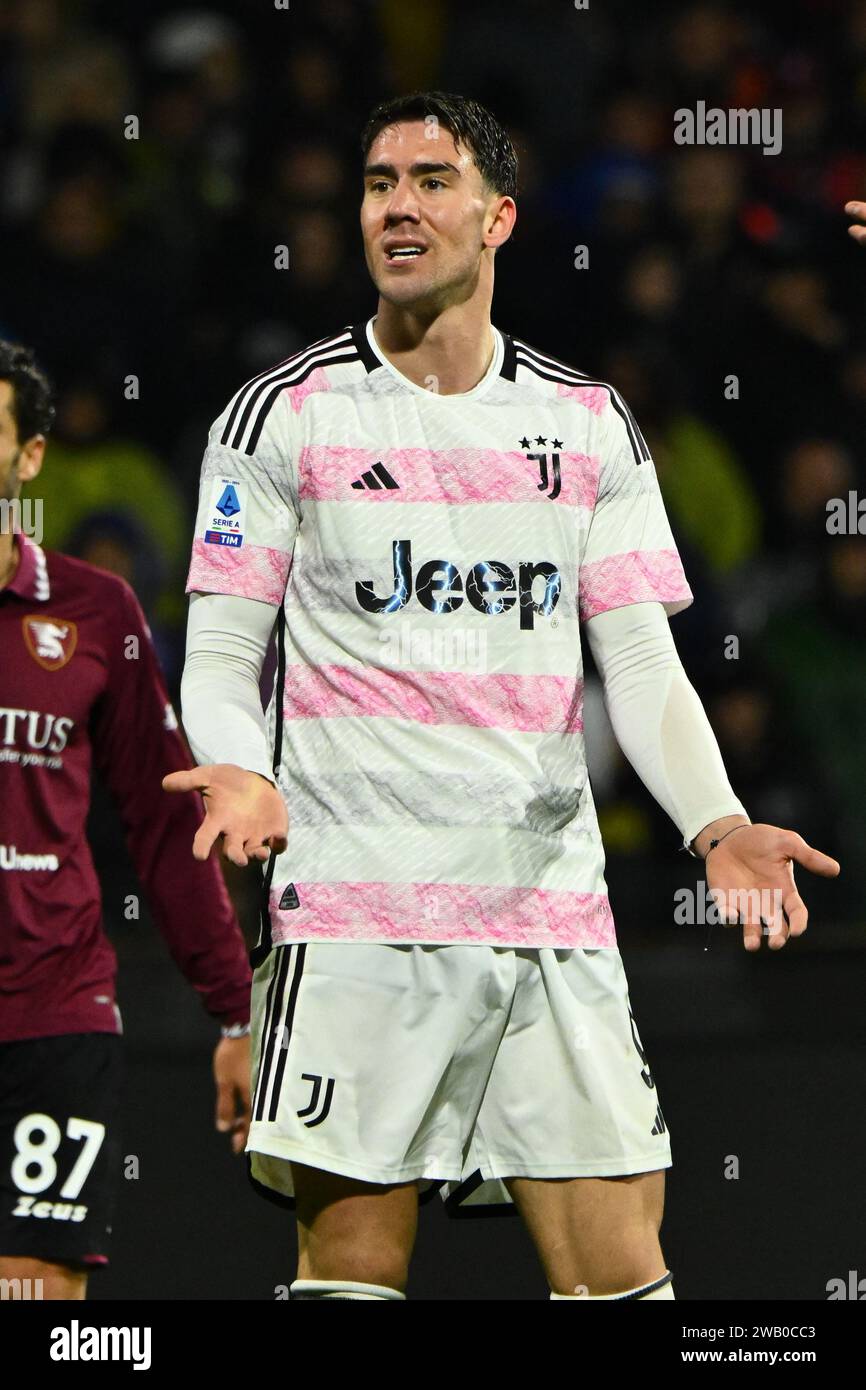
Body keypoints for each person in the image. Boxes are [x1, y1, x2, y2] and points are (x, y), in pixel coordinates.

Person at [168, 92, 840, 1302]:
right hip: (354, 914)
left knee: (620, 1277)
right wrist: (239, 762)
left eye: (430, 180)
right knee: (352, 1270)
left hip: (547, 914)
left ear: (498, 217)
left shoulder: (584, 423)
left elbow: (636, 662)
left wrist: (717, 820)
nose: (398, 206)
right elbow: (221, 652)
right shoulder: (283, 415)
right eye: (378, 184)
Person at [0, 341, 253, 1301]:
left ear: (29, 458)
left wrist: (233, 1009)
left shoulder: (95, 611)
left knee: (34, 1290)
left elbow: (165, 818)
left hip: (52, 1012)